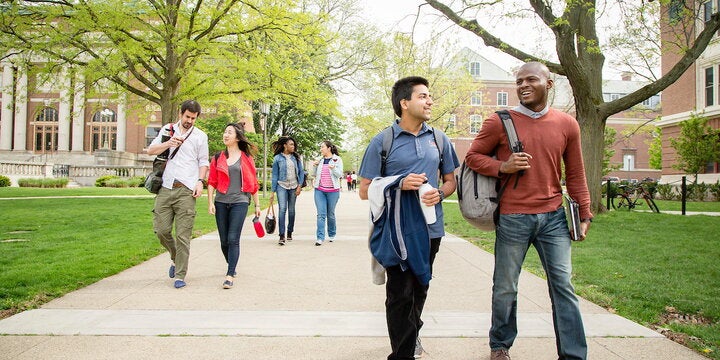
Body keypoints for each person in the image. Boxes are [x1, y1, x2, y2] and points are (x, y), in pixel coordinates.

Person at [465, 62, 593, 360]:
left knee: (563, 286)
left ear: (549, 85)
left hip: (554, 219)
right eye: (519, 81)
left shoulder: (567, 124)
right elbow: (472, 156)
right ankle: (500, 345)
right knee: (505, 287)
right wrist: (502, 167)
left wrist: (584, 214)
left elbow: (575, 173)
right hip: (512, 217)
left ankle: (573, 354)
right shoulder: (499, 121)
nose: (523, 85)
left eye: (531, 80)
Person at [358, 76, 459, 360]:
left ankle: (411, 332)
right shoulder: (383, 141)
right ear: (405, 103)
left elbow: (451, 181)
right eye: (423, 96)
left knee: (420, 286)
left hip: (430, 228)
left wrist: (439, 193)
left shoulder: (439, 139)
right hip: (396, 231)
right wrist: (399, 182)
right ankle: (402, 353)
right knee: (400, 293)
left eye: (429, 96)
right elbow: (364, 191)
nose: (429, 101)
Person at [147, 100, 209, 289]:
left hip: (186, 190)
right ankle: (175, 257)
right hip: (165, 188)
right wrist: (168, 144)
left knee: (183, 235)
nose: (189, 121)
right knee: (161, 231)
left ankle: (180, 275)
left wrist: (200, 181)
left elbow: (203, 161)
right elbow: (150, 151)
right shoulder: (167, 130)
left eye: (193, 118)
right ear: (180, 114)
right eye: (187, 117)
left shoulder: (200, 136)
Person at [207, 123, 261, 289]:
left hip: (240, 201)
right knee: (224, 241)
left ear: (237, 137)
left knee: (233, 239)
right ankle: (232, 264)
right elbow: (211, 182)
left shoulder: (246, 158)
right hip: (221, 202)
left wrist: (257, 205)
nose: (225, 135)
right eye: (225, 132)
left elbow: (253, 183)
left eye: (229, 132)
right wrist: (210, 202)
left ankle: (230, 274)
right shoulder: (217, 158)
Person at [270, 136, 306, 246]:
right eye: (291, 144)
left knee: (291, 210)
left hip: (294, 186)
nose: (293, 146)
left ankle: (290, 231)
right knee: (282, 209)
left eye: (293, 145)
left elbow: (301, 172)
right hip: (281, 185)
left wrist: (299, 186)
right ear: (285, 145)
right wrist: (272, 192)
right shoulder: (277, 158)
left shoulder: (296, 158)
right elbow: (275, 175)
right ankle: (281, 235)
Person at [311, 140, 343, 246]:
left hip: (333, 191)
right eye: (320, 147)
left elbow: (339, 175)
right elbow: (313, 175)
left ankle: (332, 234)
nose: (321, 149)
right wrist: (314, 166)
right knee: (321, 215)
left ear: (329, 148)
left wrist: (333, 169)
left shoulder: (337, 159)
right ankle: (320, 237)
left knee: (331, 214)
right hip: (319, 190)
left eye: (322, 147)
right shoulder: (320, 160)